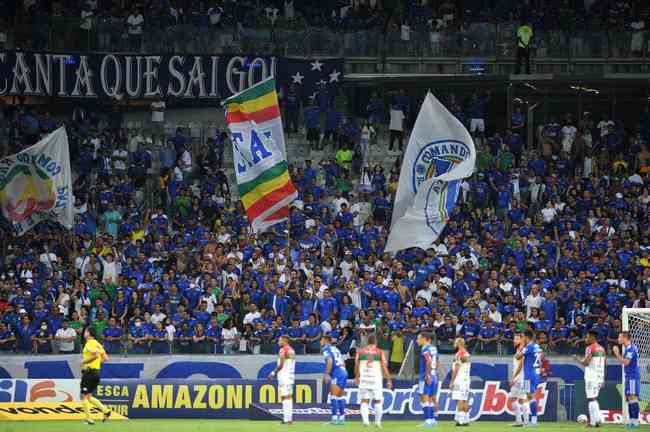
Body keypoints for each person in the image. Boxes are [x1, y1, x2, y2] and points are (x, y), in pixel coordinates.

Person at [355, 334, 392, 427]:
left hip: (364, 379)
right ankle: (378, 422)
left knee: (364, 401)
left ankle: (366, 422)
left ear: (368, 341)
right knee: (378, 401)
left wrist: (357, 377)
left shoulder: (360, 352)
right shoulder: (380, 352)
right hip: (376, 380)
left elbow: (356, 365)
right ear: (376, 342)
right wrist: (388, 380)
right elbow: (384, 367)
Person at [80, 327, 112, 424]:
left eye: (85, 331)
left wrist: (84, 362)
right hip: (96, 372)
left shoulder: (90, 343)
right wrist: (96, 365)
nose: (84, 333)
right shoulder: (98, 343)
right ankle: (106, 411)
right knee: (89, 397)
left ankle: (88, 418)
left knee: (83, 396)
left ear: (89, 333)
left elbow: (96, 355)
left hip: (89, 373)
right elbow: (106, 358)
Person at [574, 330, 605, 427]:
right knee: (593, 398)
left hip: (591, 376)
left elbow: (586, 363)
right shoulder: (602, 349)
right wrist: (603, 378)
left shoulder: (590, 348)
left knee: (591, 399)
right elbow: (605, 364)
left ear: (592, 337)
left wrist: (577, 359)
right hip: (599, 376)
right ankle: (597, 420)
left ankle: (593, 422)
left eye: (587, 337)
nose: (586, 339)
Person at [612, 331, 640, 429]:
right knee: (629, 398)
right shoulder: (628, 348)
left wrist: (616, 353)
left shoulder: (631, 349)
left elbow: (626, 362)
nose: (618, 339)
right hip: (629, 376)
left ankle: (635, 422)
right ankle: (631, 421)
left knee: (633, 398)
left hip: (632, 376)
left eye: (619, 337)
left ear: (625, 338)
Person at [516, 330, 543, 426]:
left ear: (526, 337)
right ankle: (533, 420)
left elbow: (517, 357)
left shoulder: (528, 347)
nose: (522, 339)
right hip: (536, 373)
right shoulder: (537, 346)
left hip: (529, 374)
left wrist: (522, 346)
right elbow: (540, 360)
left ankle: (534, 421)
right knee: (531, 396)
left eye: (522, 337)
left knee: (530, 397)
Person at [268, 335, 296, 425]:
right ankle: (289, 419)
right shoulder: (292, 350)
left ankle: (287, 419)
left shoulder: (283, 350)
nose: (278, 342)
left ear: (284, 341)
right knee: (288, 397)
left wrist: (273, 373)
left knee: (285, 397)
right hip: (290, 376)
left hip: (284, 376)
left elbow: (281, 365)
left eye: (279, 340)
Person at [417, 332, 442, 427]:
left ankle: (428, 421)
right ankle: (432, 420)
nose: (417, 340)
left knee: (424, 399)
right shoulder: (433, 348)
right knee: (431, 399)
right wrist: (436, 374)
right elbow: (437, 361)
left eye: (418, 338)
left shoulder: (425, 348)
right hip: (434, 375)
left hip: (425, 376)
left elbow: (429, 361)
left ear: (424, 339)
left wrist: (427, 375)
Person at [321, 335, 348, 425]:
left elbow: (329, 361)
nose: (321, 341)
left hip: (337, 373)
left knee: (334, 396)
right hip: (343, 371)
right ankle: (342, 418)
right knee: (341, 396)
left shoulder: (326, 349)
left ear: (325, 340)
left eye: (322, 339)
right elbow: (343, 362)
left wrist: (327, 374)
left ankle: (334, 419)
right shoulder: (336, 349)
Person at [449, 337, 471, 426]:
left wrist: (452, 381)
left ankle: (460, 420)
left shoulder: (460, 354)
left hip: (460, 379)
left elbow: (457, 368)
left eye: (455, 342)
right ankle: (466, 419)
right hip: (466, 379)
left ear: (458, 343)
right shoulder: (466, 353)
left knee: (459, 399)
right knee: (465, 399)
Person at [509, 333, 528, 426]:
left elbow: (520, 365)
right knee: (522, 399)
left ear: (521, 340)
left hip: (519, 378)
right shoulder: (523, 349)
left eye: (517, 339)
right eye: (514, 339)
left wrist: (513, 378)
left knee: (513, 398)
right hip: (524, 378)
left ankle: (519, 421)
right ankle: (525, 421)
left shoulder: (521, 349)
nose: (514, 341)